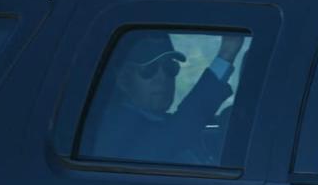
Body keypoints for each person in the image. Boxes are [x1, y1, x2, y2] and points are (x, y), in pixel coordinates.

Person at [83, 31, 244, 164]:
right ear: (124, 80)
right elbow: (177, 132)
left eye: (169, 67)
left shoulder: (159, 120)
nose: (162, 78)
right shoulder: (114, 125)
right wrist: (225, 55)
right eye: (149, 70)